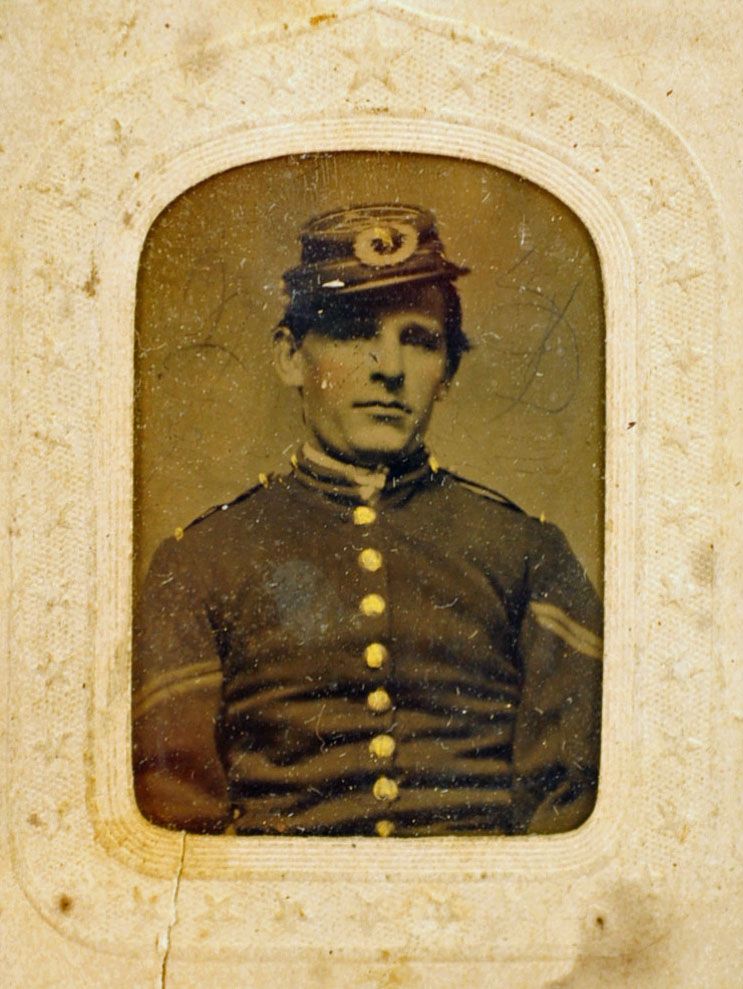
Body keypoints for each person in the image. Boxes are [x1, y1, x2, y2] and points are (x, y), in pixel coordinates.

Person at [132, 204, 602, 838]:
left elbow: (569, 811)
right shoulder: (199, 561)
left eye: (420, 340)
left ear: (448, 373)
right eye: (355, 334)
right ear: (290, 357)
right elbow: (172, 826)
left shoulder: (526, 552)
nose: (389, 368)